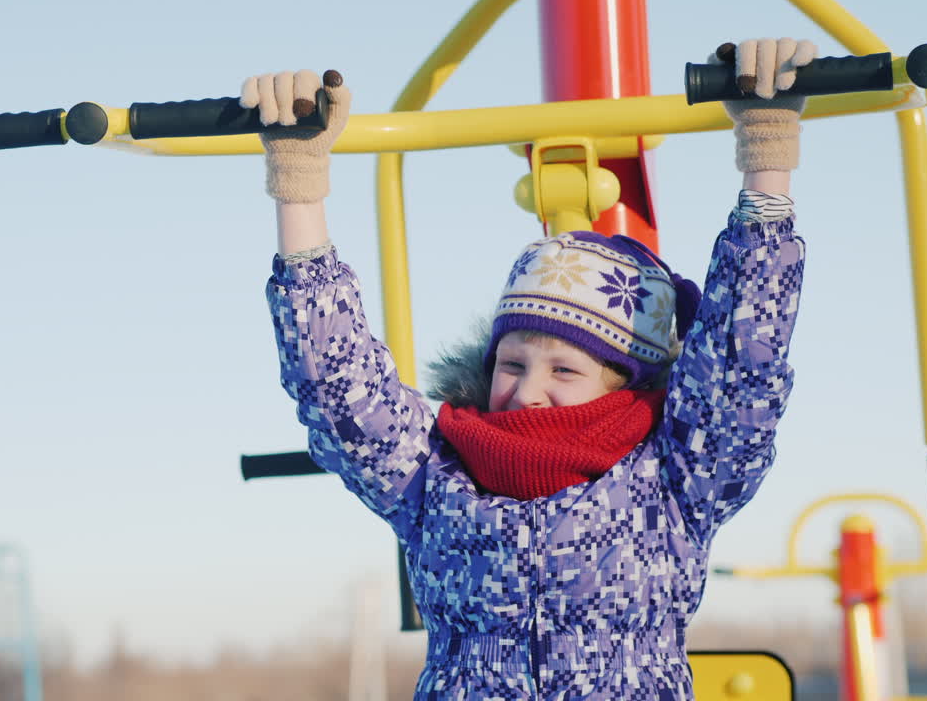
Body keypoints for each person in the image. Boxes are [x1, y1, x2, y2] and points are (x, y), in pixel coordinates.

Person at [250, 38, 814, 699]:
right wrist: (299, 187)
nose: (528, 392)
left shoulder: (672, 481)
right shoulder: (435, 477)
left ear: (622, 383)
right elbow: (338, 387)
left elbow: (742, 360)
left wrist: (768, 156)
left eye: (565, 371)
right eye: (512, 363)